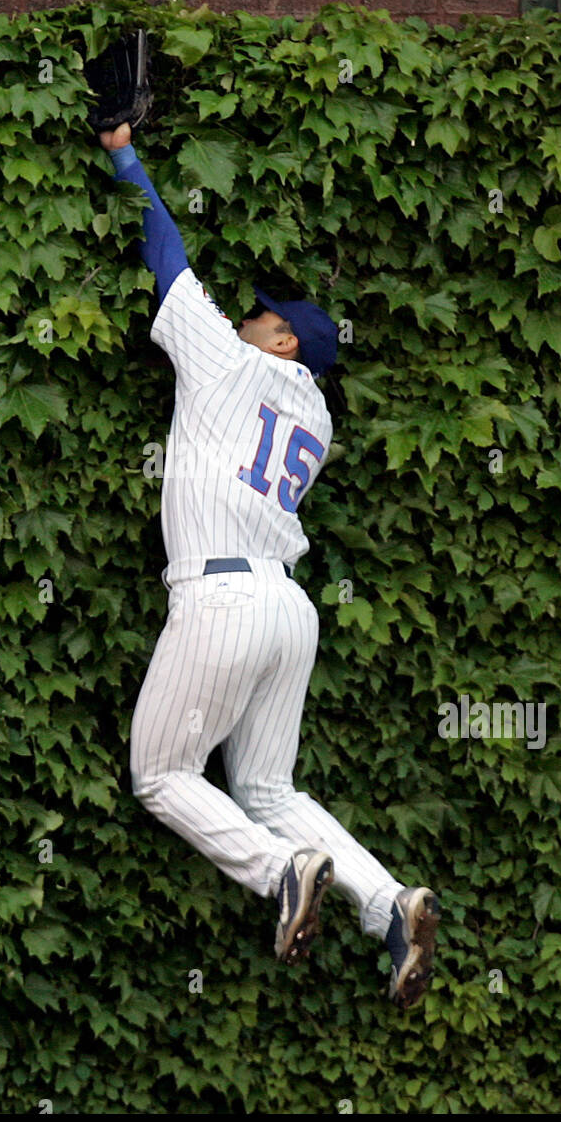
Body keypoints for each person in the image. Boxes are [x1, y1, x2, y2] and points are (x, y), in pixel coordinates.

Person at [99, 122, 440, 1008]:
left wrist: (121, 151)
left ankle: (281, 873)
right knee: (264, 784)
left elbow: (165, 253)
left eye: (265, 316)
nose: (247, 317)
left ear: (284, 344)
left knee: (162, 775)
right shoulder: (318, 421)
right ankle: (389, 902)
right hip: (286, 610)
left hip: (220, 597)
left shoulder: (227, 364)